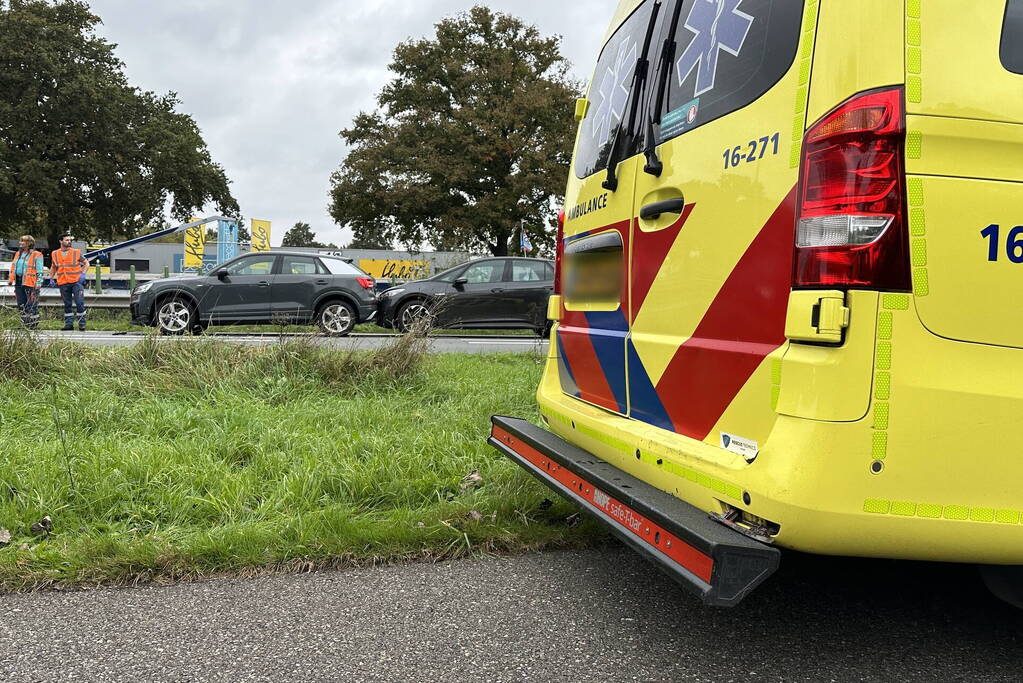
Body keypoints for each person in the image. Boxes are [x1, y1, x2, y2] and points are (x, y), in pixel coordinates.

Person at [50, 234, 90, 331]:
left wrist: (83, 274)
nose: (69, 241)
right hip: (63, 282)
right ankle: (69, 324)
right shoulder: (55, 253)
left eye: (70, 240)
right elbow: (54, 266)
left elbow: (86, 263)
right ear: (61, 241)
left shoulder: (76, 252)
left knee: (79, 303)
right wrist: (51, 278)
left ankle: (82, 324)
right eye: (67, 240)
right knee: (67, 304)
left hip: (76, 282)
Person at [8, 235, 45, 329]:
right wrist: (10, 279)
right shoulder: (18, 254)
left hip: (31, 282)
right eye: (20, 241)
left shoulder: (37, 254)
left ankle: (33, 324)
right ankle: (24, 324)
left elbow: (40, 270)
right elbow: (13, 267)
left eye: (23, 241)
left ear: (29, 243)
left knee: (31, 304)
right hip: (19, 282)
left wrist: (39, 282)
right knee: (21, 304)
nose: (20, 243)